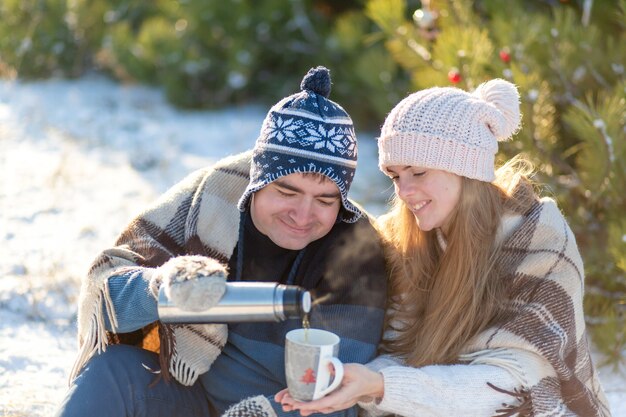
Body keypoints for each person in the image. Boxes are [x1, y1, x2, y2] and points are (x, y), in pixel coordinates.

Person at [54, 66, 387, 417]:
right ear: (258, 181)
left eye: (325, 200)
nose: (303, 215)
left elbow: (338, 398)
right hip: (188, 396)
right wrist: (162, 287)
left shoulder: (355, 250)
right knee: (113, 368)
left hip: (282, 412)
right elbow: (108, 291)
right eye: (287, 191)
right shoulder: (211, 198)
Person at [277, 79, 611, 416]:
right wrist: (362, 382)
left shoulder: (540, 239)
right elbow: (402, 350)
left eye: (418, 172)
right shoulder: (407, 240)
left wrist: (382, 386)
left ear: (464, 169)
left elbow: (514, 386)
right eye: (395, 176)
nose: (404, 192)